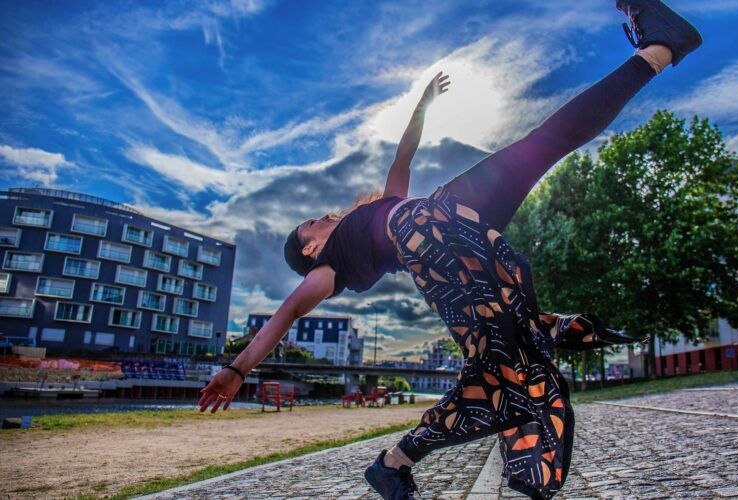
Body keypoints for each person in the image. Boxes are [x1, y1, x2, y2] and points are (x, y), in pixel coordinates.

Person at [198, 1, 702, 498]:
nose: (323, 216)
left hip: (450, 211)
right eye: (312, 224)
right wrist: (238, 368)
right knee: (499, 371)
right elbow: (285, 314)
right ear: (310, 249)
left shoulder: (374, 211)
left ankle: (659, 48)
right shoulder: (332, 267)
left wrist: (421, 104)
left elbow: (405, 152)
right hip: (441, 254)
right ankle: (396, 461)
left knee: (544, 143)